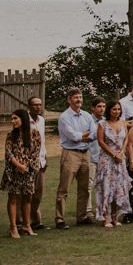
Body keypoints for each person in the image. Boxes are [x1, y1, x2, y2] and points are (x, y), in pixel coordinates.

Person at [57, 89, 97, 229]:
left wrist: (82, 135)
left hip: (85, 153)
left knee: (84, 187)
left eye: (80, 97)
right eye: (76, 97)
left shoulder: (87, 116)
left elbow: (94, 134)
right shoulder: (64, 117)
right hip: (70, 153)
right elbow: (73, 137)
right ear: (69, 100)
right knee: (64, 188)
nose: (79, 100)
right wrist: (83, 135)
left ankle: (81, 216)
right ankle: (60, 219)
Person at [0, 107, 39, 238]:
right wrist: (18, 165)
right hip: (14, 171)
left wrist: (26, 165)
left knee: (28, 198)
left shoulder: (35, 134)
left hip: (28, 171)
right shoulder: (11, 135)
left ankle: (26, 225)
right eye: (12, 119)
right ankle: (13, 227)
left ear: (23, 119)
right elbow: (8, 153)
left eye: (15, 118)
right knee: (13, 198)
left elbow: (36, 152)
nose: (13, 121)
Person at [95, 101, 132, 226]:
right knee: (106, 187)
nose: (116, 112)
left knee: (118, 187)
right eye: (114, 109)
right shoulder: (102, 124)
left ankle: (115, 216)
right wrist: (113, 154)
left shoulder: (122, 122)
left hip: (120, 159)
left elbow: (126, 139)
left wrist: (121, 153)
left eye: (118, 109)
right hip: (107, 159)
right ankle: (105, 217)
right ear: (109, 110)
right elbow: (101, 142)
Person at [26, 96, 50, 231]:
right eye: (35, 105)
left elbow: (42, 141)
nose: (38, 107)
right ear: (29, 107)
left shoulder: (41, 120)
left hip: (40, 161)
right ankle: (20, 222)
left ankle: (36, 222)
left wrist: (44, 157)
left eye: (40, 105)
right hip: (28, 162)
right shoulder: (24, 121)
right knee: (26, 193)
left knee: (38, 193)